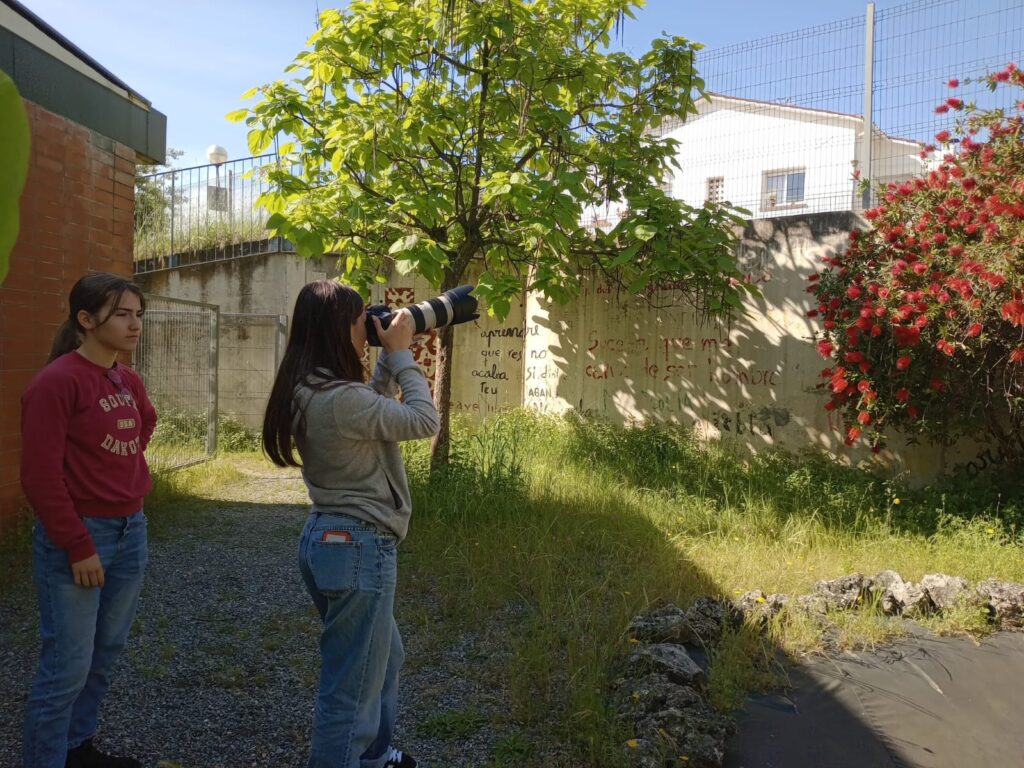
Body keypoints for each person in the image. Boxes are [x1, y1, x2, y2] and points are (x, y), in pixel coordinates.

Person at [263, 280, 438, 768]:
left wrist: (383, 362)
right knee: (350, 692)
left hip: (329, 539)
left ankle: (374, 756)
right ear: (340, 328)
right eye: (363, 320)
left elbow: (367, 410)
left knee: (384, 660)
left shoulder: (311, 385)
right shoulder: (340, 398)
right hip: (358, 546)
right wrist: (401, 355)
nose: (369, 328)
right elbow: (424, 420)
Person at [21, 272, 157, 768]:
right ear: (86, 319)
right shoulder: (56, 382)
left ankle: (77, 749)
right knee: (67, 667)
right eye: (122, 314)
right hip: (80, 538)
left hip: (130, 530)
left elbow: (145, 421)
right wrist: (78, 545)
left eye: (138, 314)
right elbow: (39, 477)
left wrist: (115, 465)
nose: (134, 324)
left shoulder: (127, 378)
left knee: (104, 654)